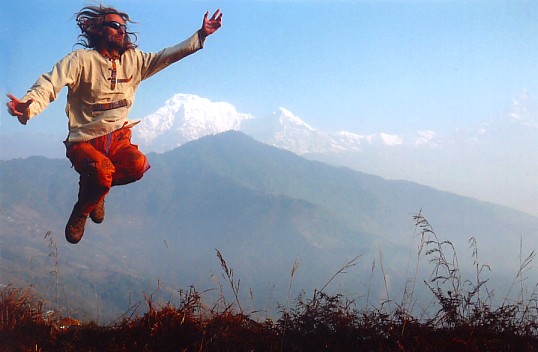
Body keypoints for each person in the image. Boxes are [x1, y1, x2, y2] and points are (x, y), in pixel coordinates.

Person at [6, 5, 222, 244]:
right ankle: (83, 210)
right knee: (101, 172)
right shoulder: (80, 60)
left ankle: (95, 191)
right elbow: (49, 84)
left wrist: (200, 35)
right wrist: (29, 105)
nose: (121, 31)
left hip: (118, 139)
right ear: (98, 30)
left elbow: (167, 56)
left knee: (138, 166)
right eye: (114, 26)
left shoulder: (134, 60)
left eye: (123, 27)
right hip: (84, 141)